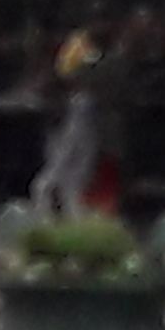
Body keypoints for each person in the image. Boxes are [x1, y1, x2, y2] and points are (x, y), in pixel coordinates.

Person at [32, 27, 106, 219]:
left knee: (80, 171)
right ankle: (42, 211)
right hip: (69, 117)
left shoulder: (92, 54)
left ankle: (73, 213)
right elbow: (66, 73)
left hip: (86, 117)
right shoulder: (75, 49)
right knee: (59, 164)